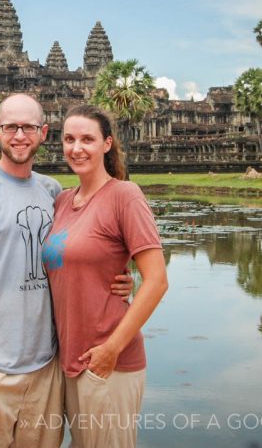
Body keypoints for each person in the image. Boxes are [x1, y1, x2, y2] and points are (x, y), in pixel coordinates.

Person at [0, 94, 133, 448]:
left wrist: (116, 279)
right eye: (11, 127)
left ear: (43, 133)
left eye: (28, 127)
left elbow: (74, 259)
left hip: (46, 370)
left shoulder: (54, 192)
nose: (19, 135)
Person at [42, 104, 169, 447]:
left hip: (109, 358)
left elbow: (157, 280)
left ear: (107, 144)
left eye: (87, 139)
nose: (76, 148)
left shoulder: (125, 195)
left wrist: (112, 348)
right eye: (69, 139)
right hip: (68, 357)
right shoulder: (63, 201)